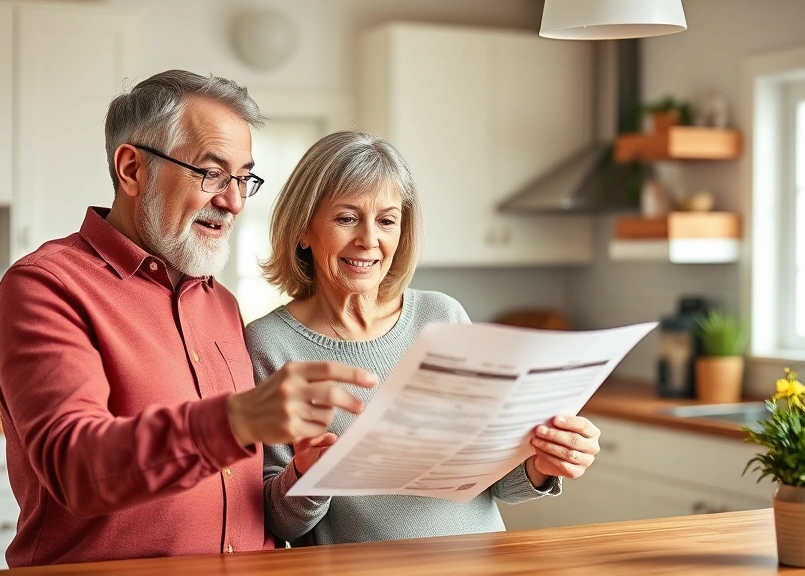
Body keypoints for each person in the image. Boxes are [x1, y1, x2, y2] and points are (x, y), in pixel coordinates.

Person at [0, 71, 377, 567]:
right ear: (131, 169)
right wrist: (238, 419)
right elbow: (75, 467)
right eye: (211, 174)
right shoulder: (46, 288)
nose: (233, 201)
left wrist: (303, 475)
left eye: (243, 179)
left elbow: (235, 493)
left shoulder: (223, 304)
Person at [245, 131, 602, 546]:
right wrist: (307, 475)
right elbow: (275, 521)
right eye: (346, 218)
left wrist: (542, 463)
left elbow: (498, 483)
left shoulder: (443, 317)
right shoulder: (269, 345)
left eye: (386, 220)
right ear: (303, 229)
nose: (369, 239)